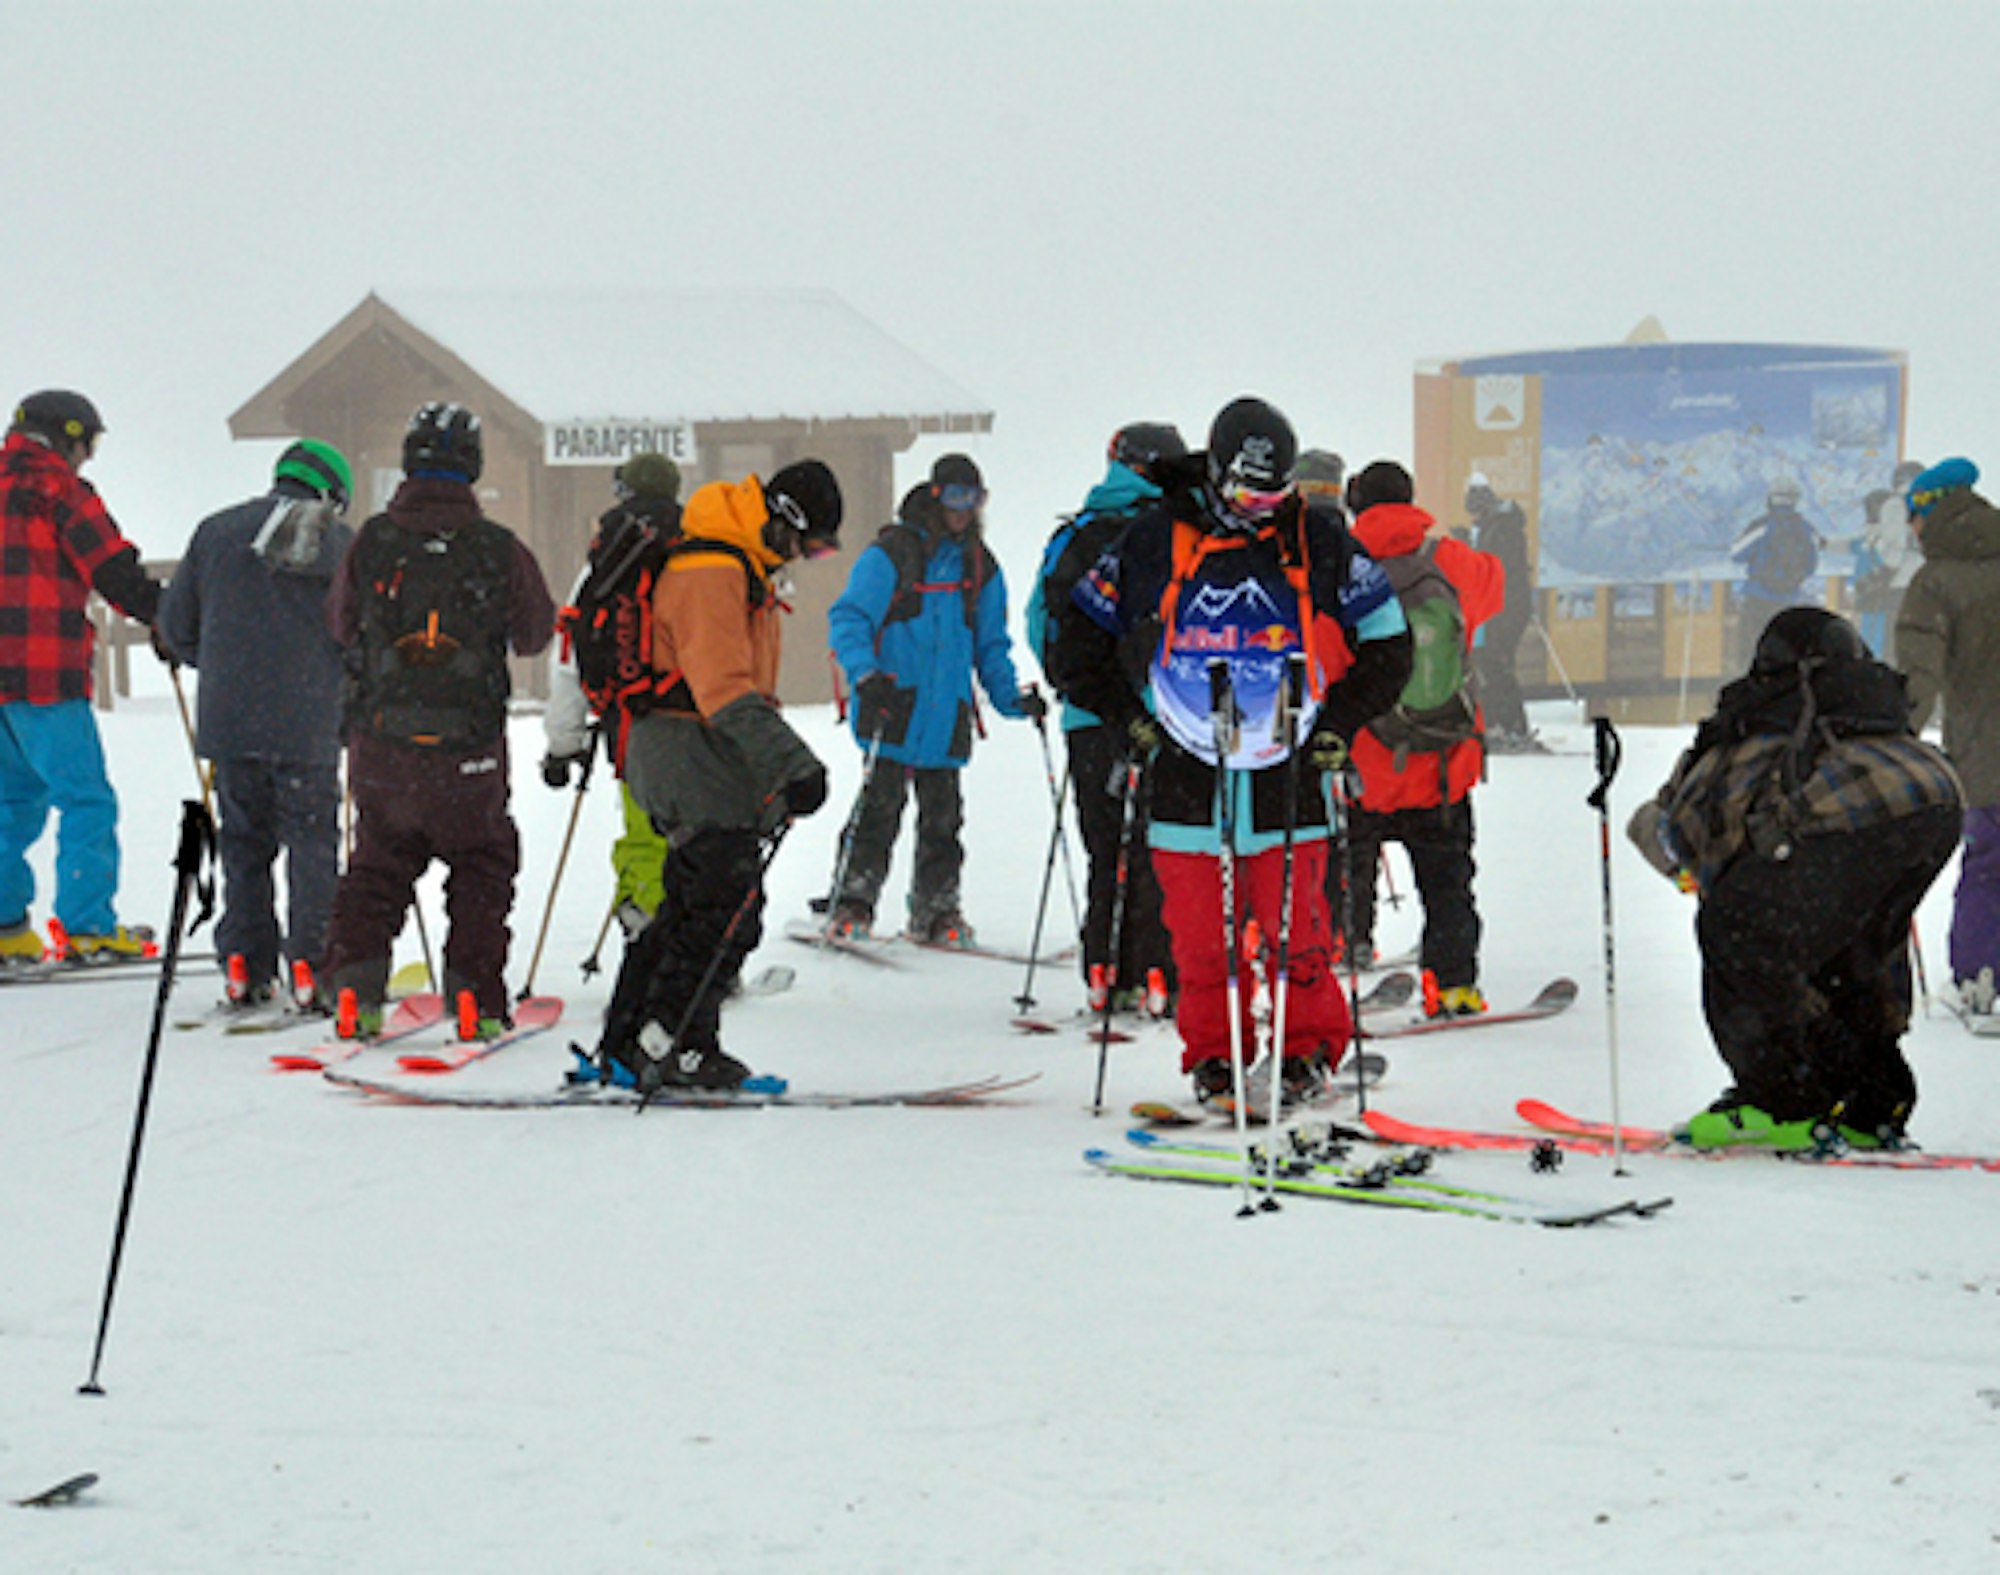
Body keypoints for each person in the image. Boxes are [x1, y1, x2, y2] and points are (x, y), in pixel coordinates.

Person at [1051, 397, 1411, 1108]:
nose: (1261, 509)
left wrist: (1338, 722)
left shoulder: (1320, 537)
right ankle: (1215, 1057)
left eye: (1277, 494)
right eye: (1248, 493)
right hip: (1186, 769)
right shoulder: (1154, 539)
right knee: (1197, 939)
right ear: (1216, 475)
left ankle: (1308, 1051)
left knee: (1301, 935)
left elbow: (1391, 642)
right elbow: (1075, 642)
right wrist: (1130, 720)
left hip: (1291, 771)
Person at [1627, 607, 1960, 1149]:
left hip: (1846, 821)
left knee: (1739, 932)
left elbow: (1694, 822)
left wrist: (1686, 866)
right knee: (1854, 949)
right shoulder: (1862, 704)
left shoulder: (1761, 714)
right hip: (1934, 799)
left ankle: (1779, 1102)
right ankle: (1872, 1101)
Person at [593, 460, 843, 1091]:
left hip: (693, 753)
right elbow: (724, 692)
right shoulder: (712, 571)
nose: (807, 559)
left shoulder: (740, 566)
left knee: (689, 903)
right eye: (810, 543)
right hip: (683, 751)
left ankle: (629, 1040)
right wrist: (794, 765)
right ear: (784, 519)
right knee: (724, 908)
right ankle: (676, 1043)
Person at [318, 402, 556, 1037]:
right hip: (468, 751)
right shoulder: (497, 549)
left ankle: (353, 994)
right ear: (472, 467)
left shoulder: (372, 541)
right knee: (482, 862)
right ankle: (474, 998)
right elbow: (536, 634)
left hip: (382, 746)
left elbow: (338, 624)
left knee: (376, 866)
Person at [157, 439, 355, 1005]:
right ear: (331, 492)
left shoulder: (215, 532)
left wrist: (223, 668)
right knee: (312, 844)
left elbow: (178, 626)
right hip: (310, 723)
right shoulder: (341, 544)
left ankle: (244, 961)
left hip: (233, 722)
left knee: (244, 843)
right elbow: (359, 637)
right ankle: (313, 964)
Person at [823, 453, 1040, 945]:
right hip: (893, 704)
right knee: (879, 810)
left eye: (976, 499)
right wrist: (866, 675)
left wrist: (1011, 699)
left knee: (943, 820)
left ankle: (937, 909)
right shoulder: (892, 554)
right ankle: (852, 901)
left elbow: (990, 644)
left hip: (946, 713)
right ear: (936, 496)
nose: (966, 510)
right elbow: (850, 618)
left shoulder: (980, 566)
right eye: (958, 497)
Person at [0, 390, 164, 968]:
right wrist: (165, 616)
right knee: (86, 799)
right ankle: (88, 925)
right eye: (86, 446)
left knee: (10, 801)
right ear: (66, 436)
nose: (85, 459)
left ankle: (3, 926)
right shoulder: (58, 489)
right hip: (45, 675)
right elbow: (111, 568)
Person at [1026, 424, 1184, 1013]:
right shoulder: (1177, 534)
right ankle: (1161, 971)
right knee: (1166, 845)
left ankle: (1107, 971)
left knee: (1107, 848)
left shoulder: (1077, 535)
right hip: (1169, 713)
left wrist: (1072, 684)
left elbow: (1041, 620)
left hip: (1090, 717)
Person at [1339, 460, 1505, 1015]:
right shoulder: (1452, 562)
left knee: (1349, 866)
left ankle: (1349, 955)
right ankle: (1453, 983)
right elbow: (1496, 590)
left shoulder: (1343, 565)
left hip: (1365, 762)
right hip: (1443, 760)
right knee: (1448, 878)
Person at [542, 452, 681, 939]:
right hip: (691, 718)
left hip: (629, 722)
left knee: (644, 834)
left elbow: (570, 655)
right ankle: (699, 951)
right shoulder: (695, 553)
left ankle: (643, 932)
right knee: (696, 837)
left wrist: (564, 743)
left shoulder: (606, 562)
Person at [1893, 456, 2000, 1013]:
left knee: (1989, 865)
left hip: (1989, 754)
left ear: (1929, 514)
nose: (1911, 532)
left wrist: (1891, 737)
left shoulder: (1936, 582)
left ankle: (1979, 981)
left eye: (1913, 519)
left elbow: (1919, 674)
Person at [1462, 471, 1537, 750]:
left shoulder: (1501, 528)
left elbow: (1497, 568)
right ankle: (1501, 722)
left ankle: (1509, 724)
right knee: (1492, 662)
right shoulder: (1498, 526)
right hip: (1503, 606)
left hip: (1505, 607)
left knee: (1494, 662)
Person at [1730, 478, 1819, 669]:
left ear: (1771, 499)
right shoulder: (1805, 528)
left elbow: (1736, 554)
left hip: (1757, 598)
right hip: (1789, 599)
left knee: (1750, 650)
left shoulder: (1761, 525)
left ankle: (1749, 691)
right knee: (1784, 651)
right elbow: (1811, 565)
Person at [1851, 459, 1925, 657]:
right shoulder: (1930, 505)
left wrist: (1882, 574)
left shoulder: (1895, 505)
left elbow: (1894, 550)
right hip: (1927, 585)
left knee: (1893, 644)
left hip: (1899, 587)